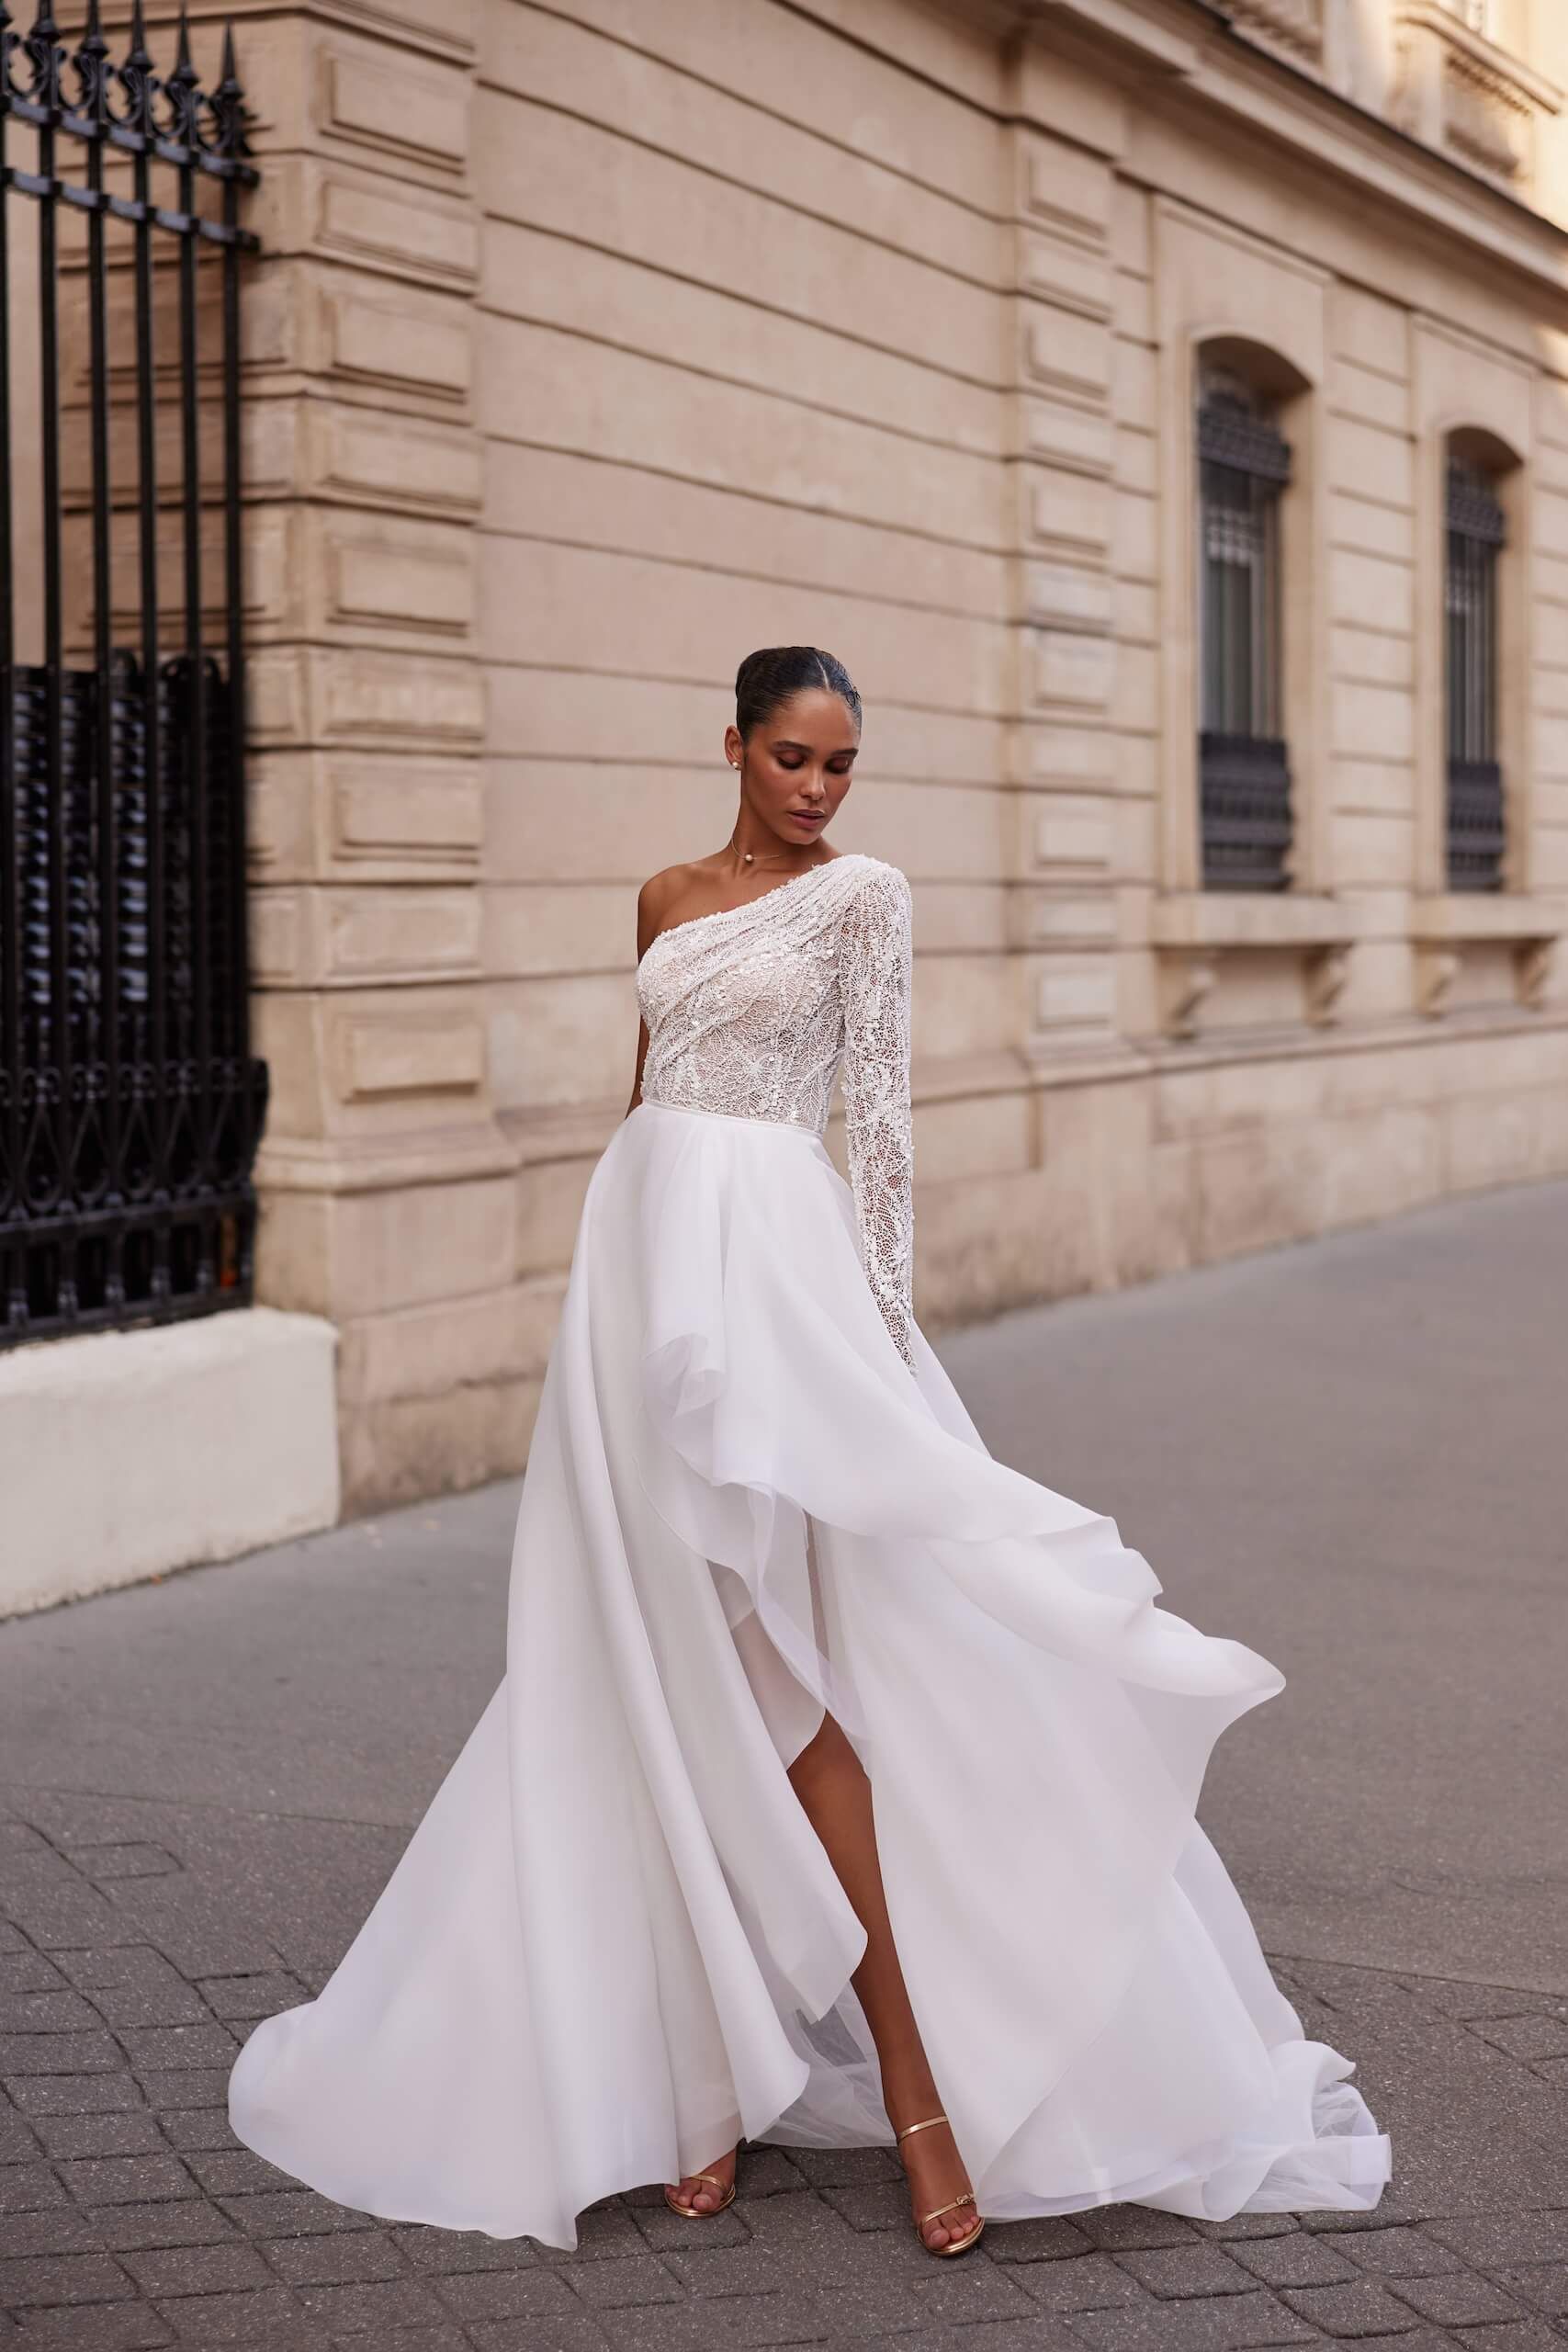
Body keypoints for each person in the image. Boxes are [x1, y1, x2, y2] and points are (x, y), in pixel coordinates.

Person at [228, 644, 1391, 2256]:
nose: (819, 788)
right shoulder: (659, 897)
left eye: (840, 765)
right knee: (652, 1672)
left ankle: (918, 2093)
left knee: (797, 1684)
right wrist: (610, 1293)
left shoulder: (866, 899)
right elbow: (642, 1108)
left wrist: (888, 1343)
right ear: (735, 745)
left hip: (780, 1288)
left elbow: (883, 1127)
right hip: (641, 1277)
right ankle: (690, 2086)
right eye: (792, 758)